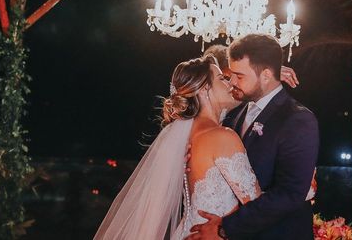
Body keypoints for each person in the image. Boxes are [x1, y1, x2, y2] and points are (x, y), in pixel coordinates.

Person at [94, 54, 255, 239]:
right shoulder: (222, 136)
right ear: (204, 89)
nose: (230, 83)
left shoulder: (186, 137)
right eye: (222, 78)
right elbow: (257, 206)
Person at [187, 34, 319, 240]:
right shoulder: (232, 114)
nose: (232, 82)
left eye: (239, 76)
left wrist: (225, 229)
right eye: (230, 75)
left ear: (266, 75)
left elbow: (290, 194)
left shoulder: (297, 119)